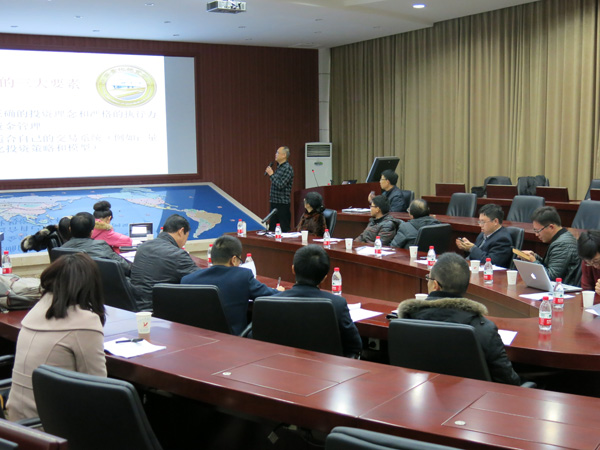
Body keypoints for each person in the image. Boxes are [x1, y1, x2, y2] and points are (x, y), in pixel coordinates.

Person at [7, 253, 107, 421]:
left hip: (16, 420)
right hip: (50, 425)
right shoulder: (85, 322)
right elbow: (99, 387)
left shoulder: (36, 310)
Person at [397, 252, 521, 385]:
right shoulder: (484, 329)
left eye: (428, 278)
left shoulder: (406, 320)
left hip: (417, 393)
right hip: (473, 396)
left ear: (435, 285)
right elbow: (508, 382)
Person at [181, 235, 284, 335]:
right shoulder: (242, 276)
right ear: (233, 260)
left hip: (199, 339)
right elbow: (271, 295)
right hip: (233, 340)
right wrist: (279, 290)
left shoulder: (188, 280)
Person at [273, 245, 362, 358]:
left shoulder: (273, 301)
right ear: (325, 277)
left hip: (281, 364)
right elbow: (355, 346)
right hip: (326, 366)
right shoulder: (337, 304)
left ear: (293, 269)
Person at [131, 214, 199, 311]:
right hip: (159, 310)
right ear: (181, 231)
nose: (185, 242)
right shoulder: (177, 254)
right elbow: (200, 279)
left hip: (135, 306)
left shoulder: (143, 247)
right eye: (186, 237)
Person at [516, 206, 581, 286]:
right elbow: (549, 266)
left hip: (562, 289)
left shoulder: (563, 244)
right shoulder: (561, 238)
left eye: (538, 230)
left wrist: (533, 261)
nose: (536, 234)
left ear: (551, 227)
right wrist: (535, 257)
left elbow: (550, 277)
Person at [61, 212, 132, 275]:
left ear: (70, 229)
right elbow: (126, 268)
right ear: (91, 232)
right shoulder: (101, 246)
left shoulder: (61, 250)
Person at [455, 203, 513, 269]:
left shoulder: (503, 239)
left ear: (495, 221)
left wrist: (472, 248)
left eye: (483, 222)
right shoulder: (483, 234)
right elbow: (476, 255)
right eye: (479, 222)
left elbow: (490, 262)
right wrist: (466, 247)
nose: (480, 225)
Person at [265, 146, 294, 232]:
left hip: (282, 205)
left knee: (283, 229)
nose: (275, 154)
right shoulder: (279, 167)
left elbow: (280, 185)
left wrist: (271, 174)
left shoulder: (287, 168)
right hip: (274, 203)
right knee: (272, 229)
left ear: (284, 155)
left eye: (278, 152)